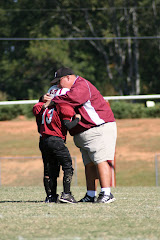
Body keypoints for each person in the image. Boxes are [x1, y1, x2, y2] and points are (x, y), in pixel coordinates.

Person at [51, 67, 117, 203]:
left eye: (59, 81)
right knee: (89, 164)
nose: (58, 85)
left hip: (99, 128)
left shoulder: (81, 85)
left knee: (101, 160)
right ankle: (91, 194)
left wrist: (54, 99)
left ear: (68, 77)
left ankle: (106, 193)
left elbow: (74, 98)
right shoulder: (70, 88)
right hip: (85, 131)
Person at [33, 87, 81, 204]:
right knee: (67, 166)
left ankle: (50, 196)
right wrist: (78, 119)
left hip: (43, 140)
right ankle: (66, 194)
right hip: (56, 140)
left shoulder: (40, 106)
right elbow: (68, 126)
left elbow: (37, 111)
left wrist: (42, 100)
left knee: (49, 170)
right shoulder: (63, 106)